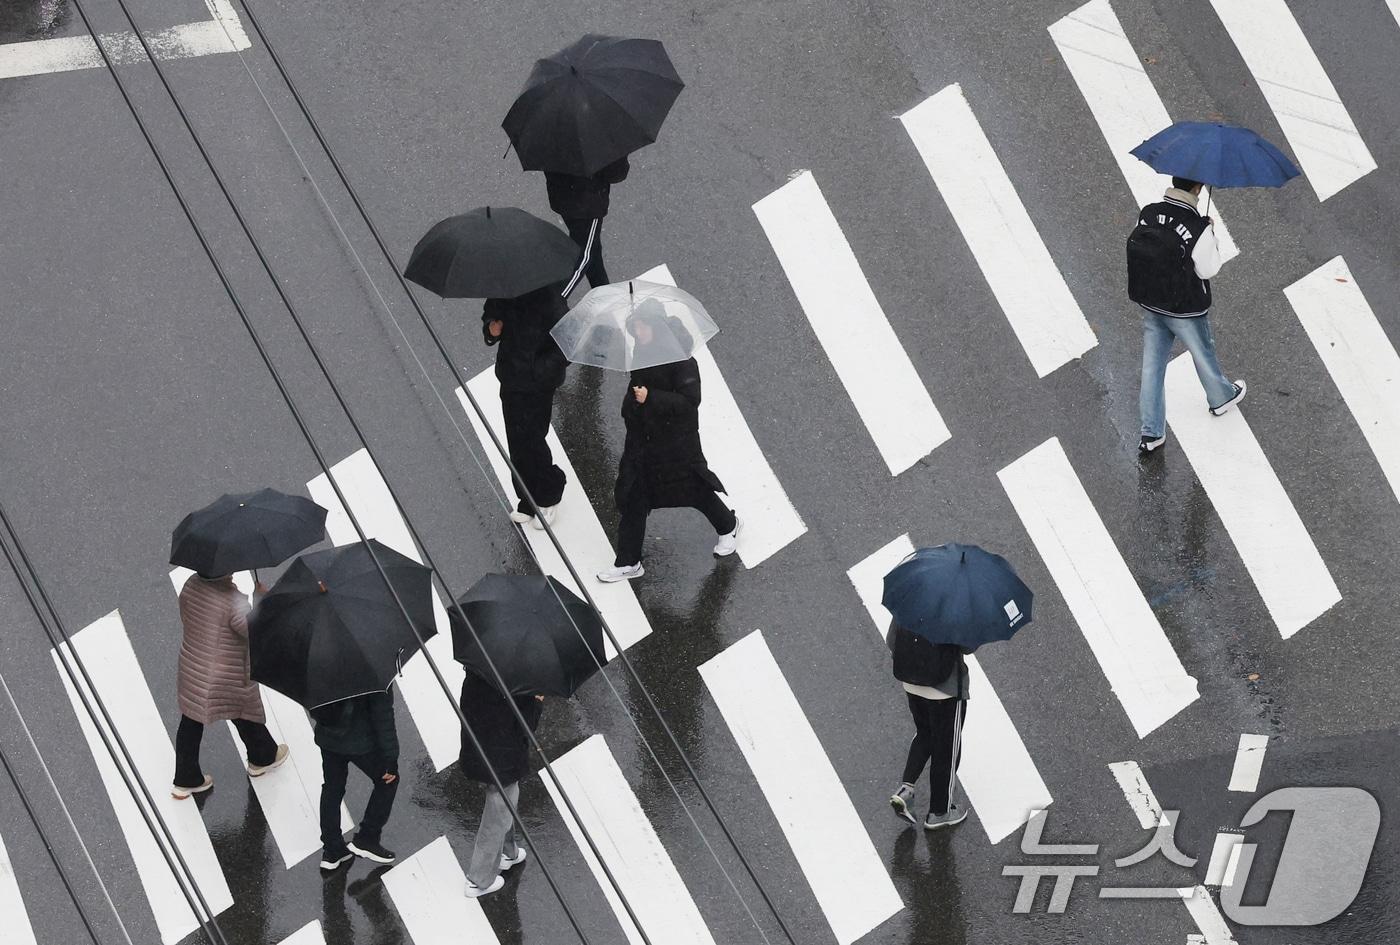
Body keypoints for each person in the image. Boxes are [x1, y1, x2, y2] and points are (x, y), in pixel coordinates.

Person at [596, 307, 739, 583]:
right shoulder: (640, 356)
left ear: (658, 327)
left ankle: (728, 525)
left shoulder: (683, 361)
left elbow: (689, 403)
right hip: (643, 446)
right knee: (634, 497)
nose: (639, 333)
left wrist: (651, 397)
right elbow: (633, 397)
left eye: (644, 327)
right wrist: (634, 405)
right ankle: (629, 561)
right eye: (635, 328)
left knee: (694, 491)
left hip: (676, 445)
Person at [1127, 176, 1246, 454]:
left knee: (1152, 367)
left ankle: (1151, 432)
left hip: (1153, 303)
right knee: (1203, 355)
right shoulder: (1197, 226)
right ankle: (1221, 397)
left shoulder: (1149, 213)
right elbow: (1208, 269)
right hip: (1186, 308)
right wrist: (1210, 234)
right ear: (1198, 188)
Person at [172, 572, 287, 799]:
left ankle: (186, 778)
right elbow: (254, 632)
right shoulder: (233, 602)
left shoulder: (191, 585)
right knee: (242, 712)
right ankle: (262, 757)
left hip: (193, 666)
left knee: (191, 721)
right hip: (226, 673)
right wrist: (260, 600)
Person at [483, 282, 569, 529]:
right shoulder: (503, 291)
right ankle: (527, 500)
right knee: (516, 442)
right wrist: (492, 330)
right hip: (511, 378)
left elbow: (566, 346)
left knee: (533, 440)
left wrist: (539, 372)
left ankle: (549, 494)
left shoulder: (552, 302)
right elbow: (490, 318)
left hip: (537, 386)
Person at [459, 669, 544, 897]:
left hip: (478, 753)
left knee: (506, 802)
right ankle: (479, 879)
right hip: (503, 762)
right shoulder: (520, 687)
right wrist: (536, 702)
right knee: (498, 814)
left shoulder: (475, 676)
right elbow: (527, 726)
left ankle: (509, 852)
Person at [887, 622, 969, 830]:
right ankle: (940, 812)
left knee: (925, 734)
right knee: (947, 748)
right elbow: (968, 646)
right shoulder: (955, 610)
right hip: (944, 690)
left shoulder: (912, 598)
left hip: (912, 684)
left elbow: (891, 641)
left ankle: (906, 789)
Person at [311, 691, 400, 871]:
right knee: (388, 781)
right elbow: (383, 715)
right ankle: (367, 838)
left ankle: (332, 849)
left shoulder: (317, 667)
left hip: (328, 740)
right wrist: (391, 759)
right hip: (360, 742)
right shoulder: (372, 668)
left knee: (332, 789)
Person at [546, 155, 630, 296]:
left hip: (560, 196)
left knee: (592, 248)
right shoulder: (601, 137)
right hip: (587, 206)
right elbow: (616, 173)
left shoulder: (549, 133)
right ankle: (552, 302)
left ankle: (605, 294)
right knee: (584, 256)